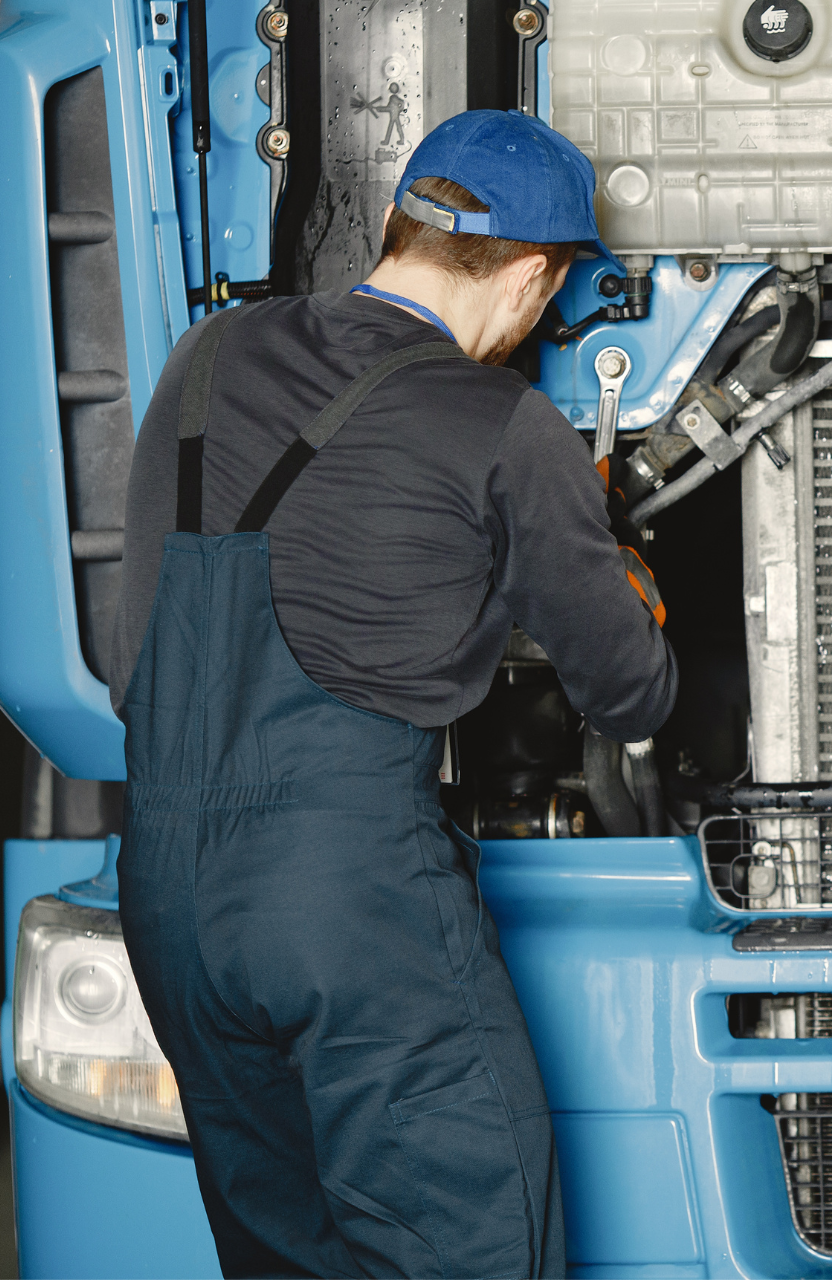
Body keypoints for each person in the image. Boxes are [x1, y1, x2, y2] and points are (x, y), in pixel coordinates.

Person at [108, 109, 675, 1278]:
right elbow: (632, 694)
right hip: (347, 904)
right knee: (467, 1246)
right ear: (531, 276)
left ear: (391, 226)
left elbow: (138, 642)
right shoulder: (506, 424)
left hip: (166, 895)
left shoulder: (204, 356)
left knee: (286, 1256)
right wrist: (611, 572)